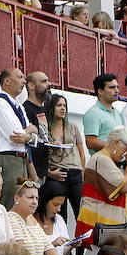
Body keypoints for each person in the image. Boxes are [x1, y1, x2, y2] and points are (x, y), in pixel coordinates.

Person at [0, 67, 37, 206]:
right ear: (7, 81)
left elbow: (33, 136)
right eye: (19, 77)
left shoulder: (18, 106)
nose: (23, 81)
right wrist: (30, 130)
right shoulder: (0, 103)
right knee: (8, 204)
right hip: (6, 159)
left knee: (20, 204)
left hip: (20, 159)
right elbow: (16, 136)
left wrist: (30, 133)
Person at [74, 125, 127, 245]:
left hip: (104, 225)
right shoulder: (102, 159)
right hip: (98, 226)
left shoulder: (106, 159)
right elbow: (125, 187)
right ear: (117, 143)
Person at [43, 92, 86, 221]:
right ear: (51, 108)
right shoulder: (45, 128)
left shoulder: (72, 127)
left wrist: (82, 173)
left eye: (64, 105)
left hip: (75, 173)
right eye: (59, 105)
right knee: (59, 214)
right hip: (57, 173)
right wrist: (48, 173)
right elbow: (40, 154)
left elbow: (81, 152)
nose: (63, 108)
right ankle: (61, 240)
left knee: (82, 213)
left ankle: (83, 241)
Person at [21, 70, 53, 176]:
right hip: (31, 173)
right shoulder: (26, 109)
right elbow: (25, 144)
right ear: (31, 85)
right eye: (44, 81)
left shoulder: (42, 109)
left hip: (42, 171)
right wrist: (33, 173)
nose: (49, 84)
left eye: (48, 81)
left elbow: (42, 138)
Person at [83, 73, 121, 152]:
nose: (117, 90)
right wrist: (115, 146)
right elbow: (90, 142)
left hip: (118, 162)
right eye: (112, 87)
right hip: (102, 162)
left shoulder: (117, 112)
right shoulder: (93, 113)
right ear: (100, 91)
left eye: (117, 87)